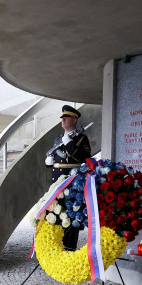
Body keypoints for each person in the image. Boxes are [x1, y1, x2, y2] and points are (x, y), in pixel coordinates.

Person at [45, 105, 92, 250]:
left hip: (72, 184)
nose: (63, 120)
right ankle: (58, 248)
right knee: (57, 214)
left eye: (66, 118)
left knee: (71, 216)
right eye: (62, 118)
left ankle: (70, 248)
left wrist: (69, 143)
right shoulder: (58, 139)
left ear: (74, 120)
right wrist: (49, 162)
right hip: (57, 183)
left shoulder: (81, 138)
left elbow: (83, 158)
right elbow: (56, 159)